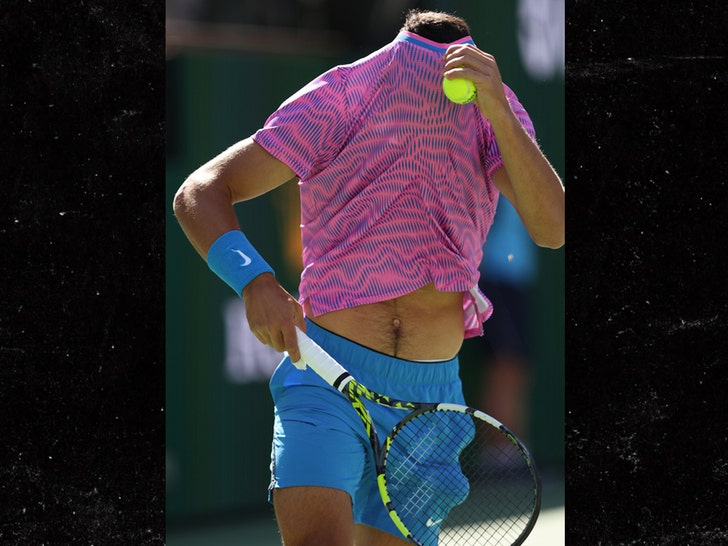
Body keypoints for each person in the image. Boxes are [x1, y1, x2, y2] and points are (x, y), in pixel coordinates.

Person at [173, 9, 564, 546]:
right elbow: (200, 191)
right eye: (411, 74)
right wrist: (255, 281)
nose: (424, 88)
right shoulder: (341, 94)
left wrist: (497, 107)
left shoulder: (495, 111)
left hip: (431, 400)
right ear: (395, 59)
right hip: (327, 377)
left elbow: (553, 227)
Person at [476, 197, 538, 454]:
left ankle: (510, 450)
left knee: (515, 365)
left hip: (512, 283)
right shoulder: (492, 170)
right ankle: (499, 451)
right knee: (505, 363)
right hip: (493, 280)